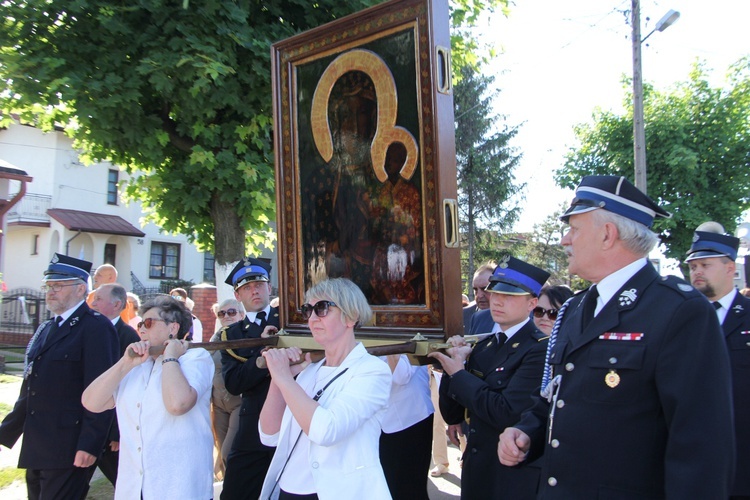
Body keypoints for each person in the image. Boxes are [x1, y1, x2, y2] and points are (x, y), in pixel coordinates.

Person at [498, 175, 735, 498]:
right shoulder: (576, 307)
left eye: (574, 229)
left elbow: (701, 447)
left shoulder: (679, 311)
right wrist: (527, 431)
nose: (565, 240)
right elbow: (558, 397)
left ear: (608, 235)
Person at [258, 277, 392, 499]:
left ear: (351, 317)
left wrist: (284, 379)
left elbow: (326, 430)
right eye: (307, 310)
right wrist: (277, 379)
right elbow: (269, 434)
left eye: (322, 308)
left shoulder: (372, 371)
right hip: (289, 490)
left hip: (338, 492)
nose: (312, 318)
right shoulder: (309, 371)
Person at [0, 253, 119, 500]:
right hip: (38, 444)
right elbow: (32, 387)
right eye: (48, 286)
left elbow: (103, 392)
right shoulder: (48, 327)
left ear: (79, 289)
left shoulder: (95, 328)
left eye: (58, 286)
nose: (50, 292)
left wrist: (89, 444)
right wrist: (6, 432)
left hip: (69, 445)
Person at [430, 257, 550, 500]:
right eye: (494, 293)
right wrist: (456, 362)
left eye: (510, 296)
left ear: (532, 303)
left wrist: (459, 373)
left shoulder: (539, 349)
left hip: (510, 475)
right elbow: (453, 414)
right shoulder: (485, 346)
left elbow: (507, 413)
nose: (497, 301)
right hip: (477, 469)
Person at [82, 296, 214, 499]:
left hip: (178, 486)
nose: (141, 328)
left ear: (173, 328)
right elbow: (91, 403)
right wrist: (124, 364)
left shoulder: (196, 358)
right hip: (134, 487)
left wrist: (170, 357)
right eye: (141, 323)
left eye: (149, 323)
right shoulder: (136, 366)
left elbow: (177, 404)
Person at [685, 223, 750, 498]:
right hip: (689, 458)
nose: (697, 272)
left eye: (705, 265)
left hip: (743, 458)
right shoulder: (680, 319)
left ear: (730, 268)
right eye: (693, 266)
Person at [220, 257, 281, 500]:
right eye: (246, 288)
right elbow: (234, 384)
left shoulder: (292, 321)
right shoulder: (231, 334)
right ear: (238, 295)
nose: (254, 291)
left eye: (258, 285)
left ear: (269, 288)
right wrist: (260, 356)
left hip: (293, 418)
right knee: (238, 490)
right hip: (253, 422)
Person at [89, 283, 141, 487]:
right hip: (86, 420)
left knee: (123, 483)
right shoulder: (89, 331)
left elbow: (128, 387)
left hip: (110, 430)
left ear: (117, 304)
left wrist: (117, 432)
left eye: (99, 299)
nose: (93, 303)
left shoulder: (127, 336)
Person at [378, 355, 433, 499]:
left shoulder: (408, 332)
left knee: (408, 490)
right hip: (381, 423)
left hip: (408, 420)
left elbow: (401, 376)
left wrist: (390, 346)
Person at [210, 298, 245, 480]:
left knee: (228, 452)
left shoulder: (246, 337)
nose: (226, 316)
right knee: (220, 449)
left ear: (241, 314)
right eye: (222, 314)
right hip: (218, 404)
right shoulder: (216, 338)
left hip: (238, 402)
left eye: (231, 312)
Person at [462, 262, 495, 333]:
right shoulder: (462, 317)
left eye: (484, 289)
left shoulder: (511, 317)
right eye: (475, 289)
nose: (479, 295)